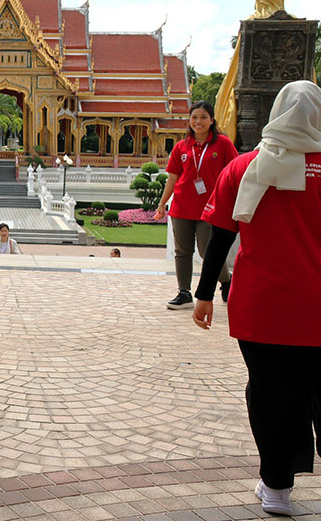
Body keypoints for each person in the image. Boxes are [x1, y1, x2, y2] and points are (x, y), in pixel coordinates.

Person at [192, 80, 321, 516]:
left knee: (270, 395)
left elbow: (220, 238)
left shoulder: (245, 167)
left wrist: (203, 295)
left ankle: (277, 488)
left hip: (263, 308)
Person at [154, 101, 238, 310]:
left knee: (206, 250)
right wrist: (162, 203)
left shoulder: (223, 144)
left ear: (211, 120)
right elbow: (173, 178)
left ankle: (226, 280)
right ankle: (184, 293)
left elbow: (234, 173)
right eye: (194, 117)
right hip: (182, 206)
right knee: (182, 251)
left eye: (203, 117)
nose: (198, 122)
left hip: (210, 208)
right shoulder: (181, 147)